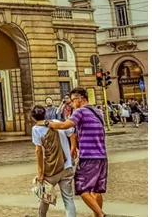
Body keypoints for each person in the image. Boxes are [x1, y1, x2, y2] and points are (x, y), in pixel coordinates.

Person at [46, 87, 108, 217]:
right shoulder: (98, 111)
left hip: (88, 157)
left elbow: (65, 125)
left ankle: (101, 215)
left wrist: (47, 123)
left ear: (80, 99)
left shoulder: (80, 111)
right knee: (97, 191)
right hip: (102, 156)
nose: (72, 103)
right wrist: (75, 146)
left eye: (73, 100)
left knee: (82, 189)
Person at [30, 105, 77, 217]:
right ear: (45, 113)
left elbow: (39, 152)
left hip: (51, 170)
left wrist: (41, 173)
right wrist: (73, 148)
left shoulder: (36, 129)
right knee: (68, 198)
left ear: (33, 117)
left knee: (45, 196)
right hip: (66, 166)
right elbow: (71, 133)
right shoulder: (56, 122)